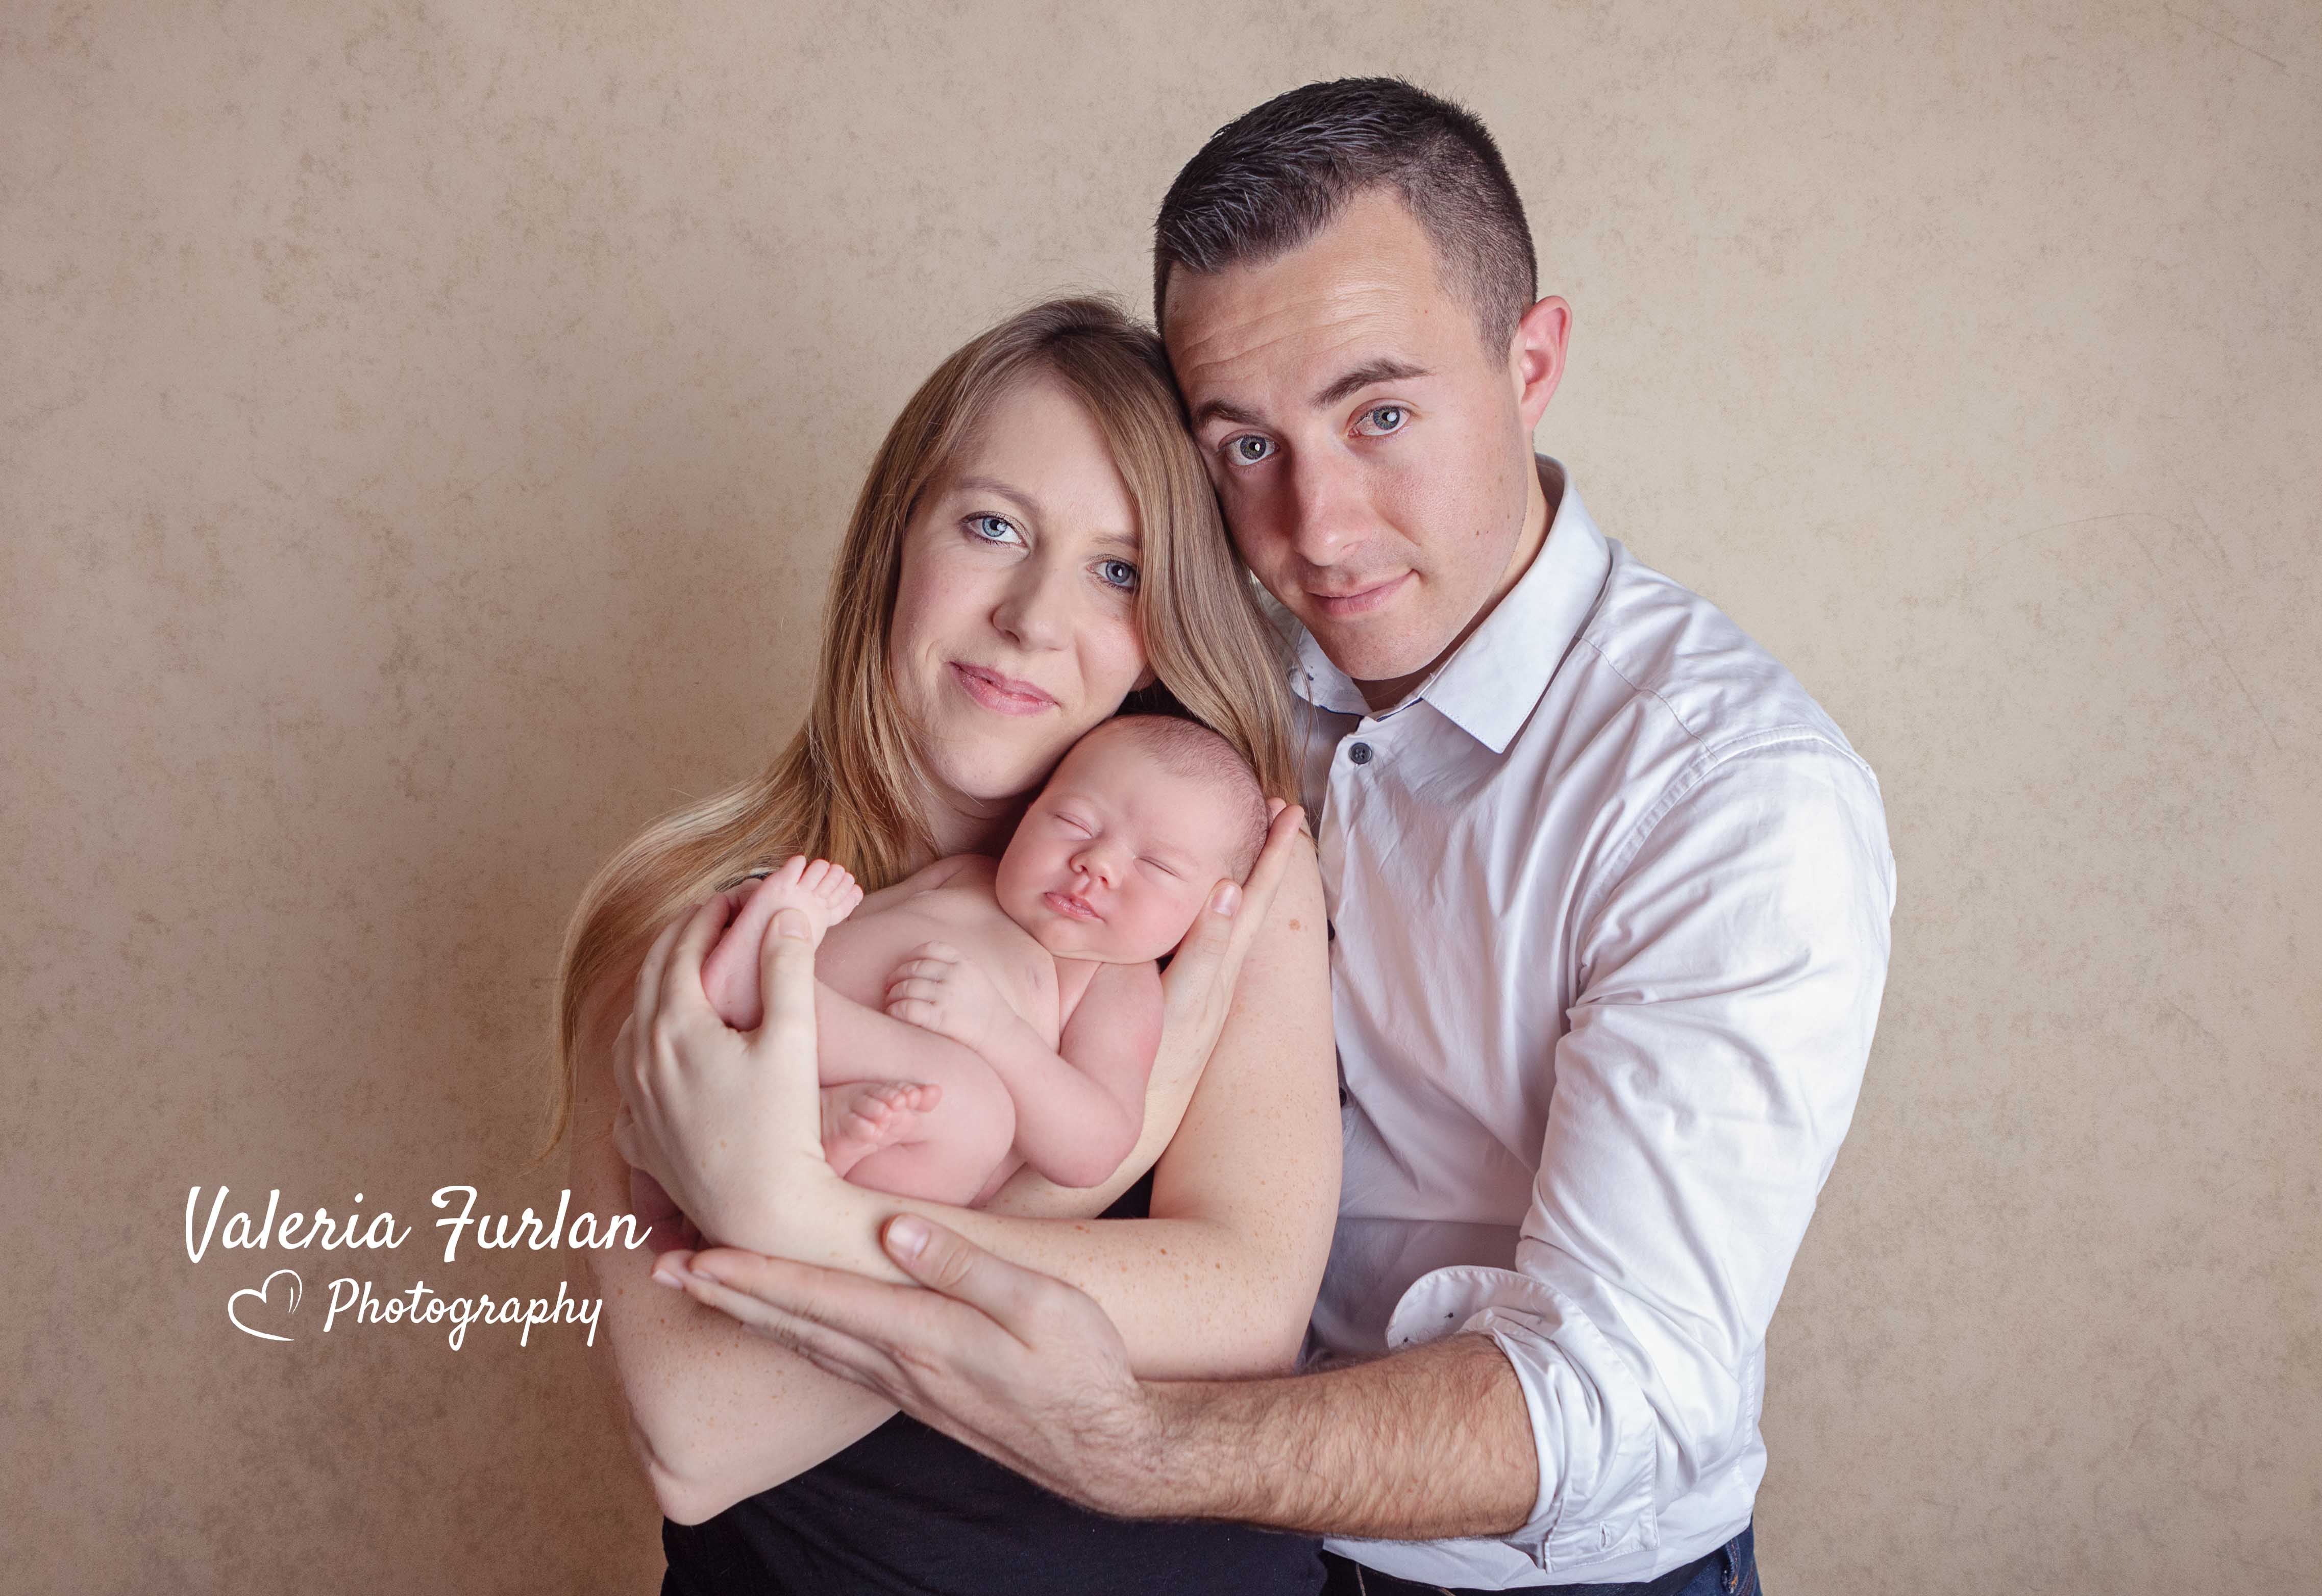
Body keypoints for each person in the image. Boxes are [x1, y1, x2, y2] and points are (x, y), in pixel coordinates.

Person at [635, 78, 1897, 1595]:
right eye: (1244, 443)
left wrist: (1127, 1437)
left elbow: (1621, 1393)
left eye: (1381, 414)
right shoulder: (1181, 698)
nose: (1316, 525)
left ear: (1531, 361)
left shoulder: (1724, 795)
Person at [559, 296, 1339, 1593]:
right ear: (894, 543)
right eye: (994, 527)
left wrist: (795, 1220)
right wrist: (1102, 1145)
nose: (1033, 615)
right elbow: (699, 1433)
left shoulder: (1214, 872)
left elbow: (1246, 1307)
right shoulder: (699, 917)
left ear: (1171, 621)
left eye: (1119, 570)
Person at [697, 714, 1270, 1206]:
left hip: (880, 1136)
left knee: (978, 1110)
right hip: (736, 1062)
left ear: (1207, 910)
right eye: (1074, 822)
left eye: (1157, 866)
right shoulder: (967, 874)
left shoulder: (1114, 982)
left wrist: (994, 1030)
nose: (1097, 862)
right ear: (1029, 812)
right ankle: (764, 989)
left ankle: (773, 1022)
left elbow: (1095, 1148)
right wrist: (809, 910)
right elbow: (854, 922)